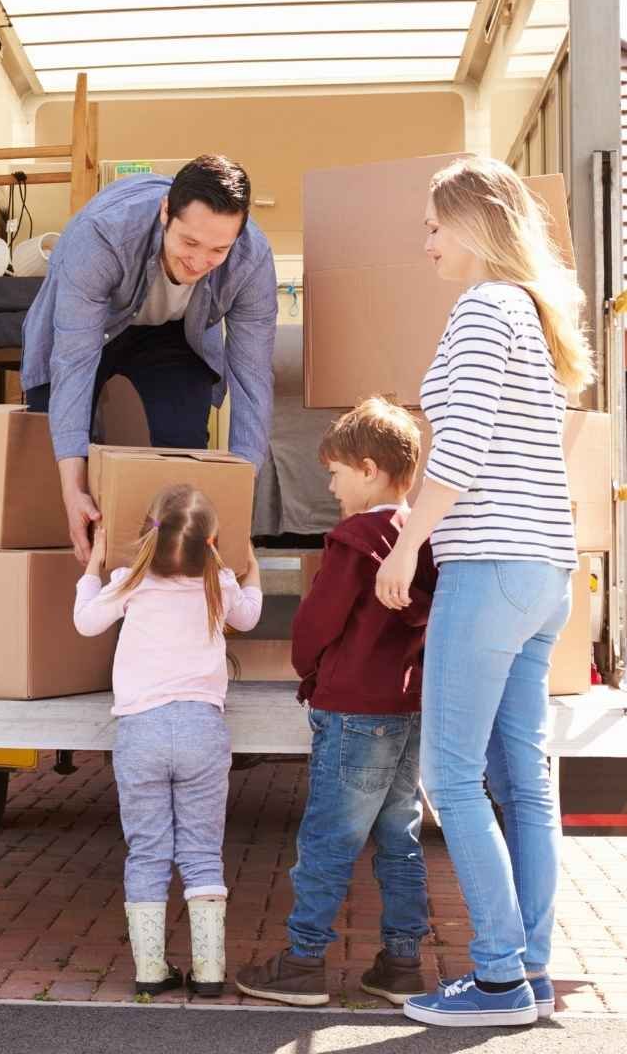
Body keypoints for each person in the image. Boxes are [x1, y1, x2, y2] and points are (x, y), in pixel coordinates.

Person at [374, 157, 593, 1028]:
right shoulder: (532, 317)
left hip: (492, 568)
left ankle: (498, 977)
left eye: (433, 226)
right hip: (545, 574)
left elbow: (457, 452)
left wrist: (407, 547)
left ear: (472, 222)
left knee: (450, 775)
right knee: (522, 780)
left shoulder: (480, 310)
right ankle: (529, 972)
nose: (426, 243)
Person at [234, 398, 437, 1007]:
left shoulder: (353, 539)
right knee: (399, 837)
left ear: (369, 470)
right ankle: (402, 965)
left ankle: (302, 962)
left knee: (327, 838)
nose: (329, 483)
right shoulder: (420, 538)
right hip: (406, 708)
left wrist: (311, 672)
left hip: (352, 710)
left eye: (335, 472)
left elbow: (316, 623)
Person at [22, 156, 278, 563]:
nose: (198, 262)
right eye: (189, 243)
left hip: (175, 336)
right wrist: (73, 490)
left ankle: (170, 581)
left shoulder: (252, 258)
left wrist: (237, 500)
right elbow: (73, 361)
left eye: (218, 250)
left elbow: (252, 378)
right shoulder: (102, 235)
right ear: (165, 213)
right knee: (52, 459)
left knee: (182, 447)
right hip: (93, 329)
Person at [72, 484, 262, 997]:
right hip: (203, 730)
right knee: (202, 852)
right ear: (214, 541)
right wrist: (251, 566)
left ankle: (151, 971)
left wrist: (92, 566)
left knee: (148, 852)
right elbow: (250, 615)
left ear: (145, 536)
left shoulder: (128, 582)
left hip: (142, 731)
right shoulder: (217, 584)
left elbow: (86, 622)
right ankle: (209, 971)